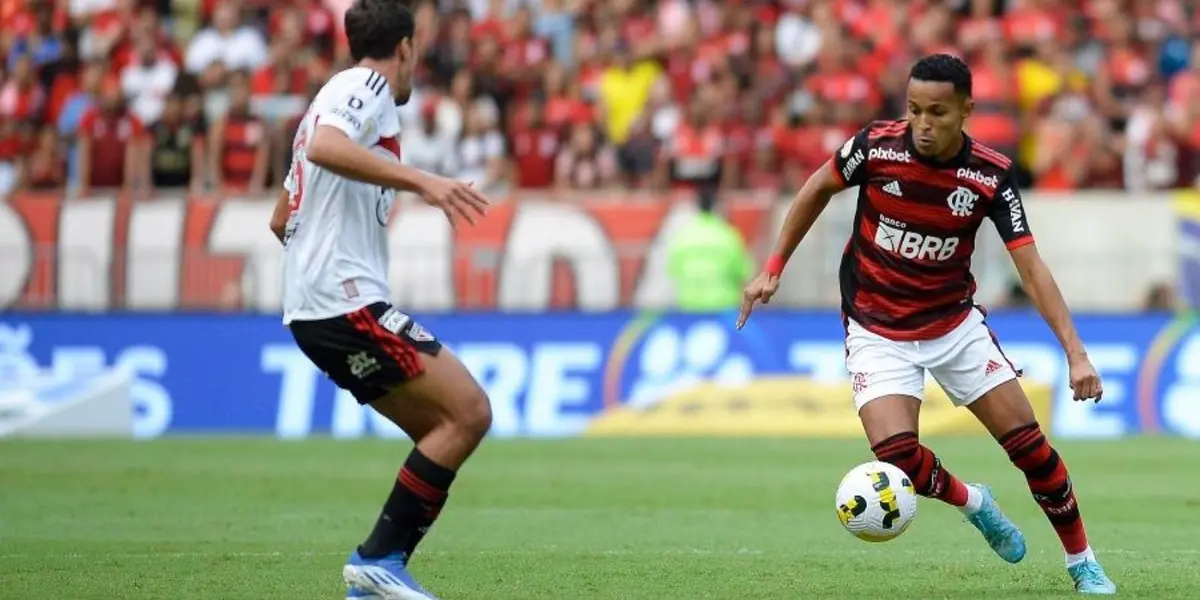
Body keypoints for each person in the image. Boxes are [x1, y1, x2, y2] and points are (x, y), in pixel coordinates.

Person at [736, 54, 1117, 596]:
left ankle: (1083, 563)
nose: (923, 123)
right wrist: (773, 267)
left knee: (1031, 449)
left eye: (937, 112)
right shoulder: (876, 147)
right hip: (875, 325)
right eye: (914, 109)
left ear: (965, 110)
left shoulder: (989, 174)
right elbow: (817, 187)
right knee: (897, 457)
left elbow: (1031, 268)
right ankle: (974, 502)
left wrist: (1076, 353)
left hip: (953, 326)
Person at [268, 1, 492, 598]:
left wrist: (318, 256)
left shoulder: (326, 101)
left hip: (315, 308)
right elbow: (326, 148)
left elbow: (280, 218)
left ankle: (377, 572)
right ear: (405, 47)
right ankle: (378, 560)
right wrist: (424, 181)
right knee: (468, 412)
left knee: (447, 427)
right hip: (343, 302)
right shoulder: (363, 87)